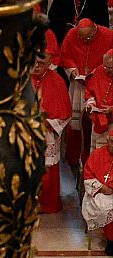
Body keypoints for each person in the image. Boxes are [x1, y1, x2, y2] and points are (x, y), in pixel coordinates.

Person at [62, 19, 113, 163]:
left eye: (88, 38)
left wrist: (97, 73)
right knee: (76, 123)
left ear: (95, 30)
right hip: (79, 85)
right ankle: (74, 158)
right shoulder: (72, 34)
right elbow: (65, 55)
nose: (85, 41)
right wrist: (72, 71)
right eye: (82, 38)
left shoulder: (109, 36)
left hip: (100, 83)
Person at [36, 55, 71, 214]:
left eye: (41, 63)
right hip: (24, 132)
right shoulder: (21, 77)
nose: (36, 66)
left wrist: (48, 123)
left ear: (49, 63)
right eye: (33, 62)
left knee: (47, 172)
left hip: (47, 134)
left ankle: (47, 204)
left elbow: (65, 113)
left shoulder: (57, 80)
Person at [85, 143, 113, 254]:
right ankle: (111, 242)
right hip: (101, 192)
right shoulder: (97, 154)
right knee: (104, 208)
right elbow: (88, 177)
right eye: (112, 141)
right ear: (108, 140)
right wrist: (101, 187)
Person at [85, 50, 113, 154]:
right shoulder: (99, 70)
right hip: (98, 119)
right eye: (105, 66)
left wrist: (111, 109)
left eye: (110, 68)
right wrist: (91, 103)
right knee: (97, 153)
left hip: (111, 123)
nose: (106, 70)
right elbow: (89, 91)